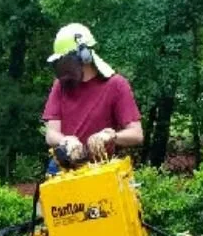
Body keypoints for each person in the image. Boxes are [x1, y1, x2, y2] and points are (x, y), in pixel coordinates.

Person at [42, 23, 143, 165]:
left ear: (85, 56)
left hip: (100, 166)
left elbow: (137, 134)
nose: (62, 66)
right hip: (64, 165)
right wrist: (65, 140)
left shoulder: (116, 85)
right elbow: (51, 134)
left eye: (65, 61)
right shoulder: (60, 85)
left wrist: (110, 136)